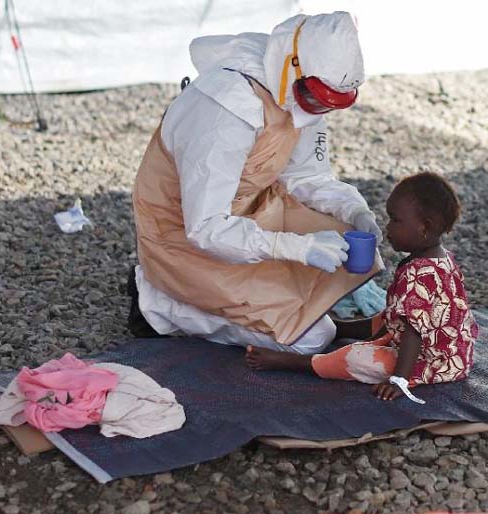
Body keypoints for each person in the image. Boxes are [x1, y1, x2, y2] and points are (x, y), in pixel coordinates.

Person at [128, 11, 383, 355]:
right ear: (293, 69)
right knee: (311, 338)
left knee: (347, 236)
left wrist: (357, 211)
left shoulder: (300, 90)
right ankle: (159, 302)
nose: (317, 111)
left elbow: (307, 177)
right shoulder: (226, 109)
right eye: (315, 99)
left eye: (328, 105)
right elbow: (205, 228)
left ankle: (271, 300)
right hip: (184, 237)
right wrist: (297, 248)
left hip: (251, 210)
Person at [245, 172, 479, 401]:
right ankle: (341, 329)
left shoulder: (418, 274)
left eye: (395, 220)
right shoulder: (442, 258)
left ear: (424, 228)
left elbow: (414, 333)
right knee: (389, 317)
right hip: (455, 352)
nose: (388, 228)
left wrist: (399, 380)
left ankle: (295, 362)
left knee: (356, 357)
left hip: (432, 361)